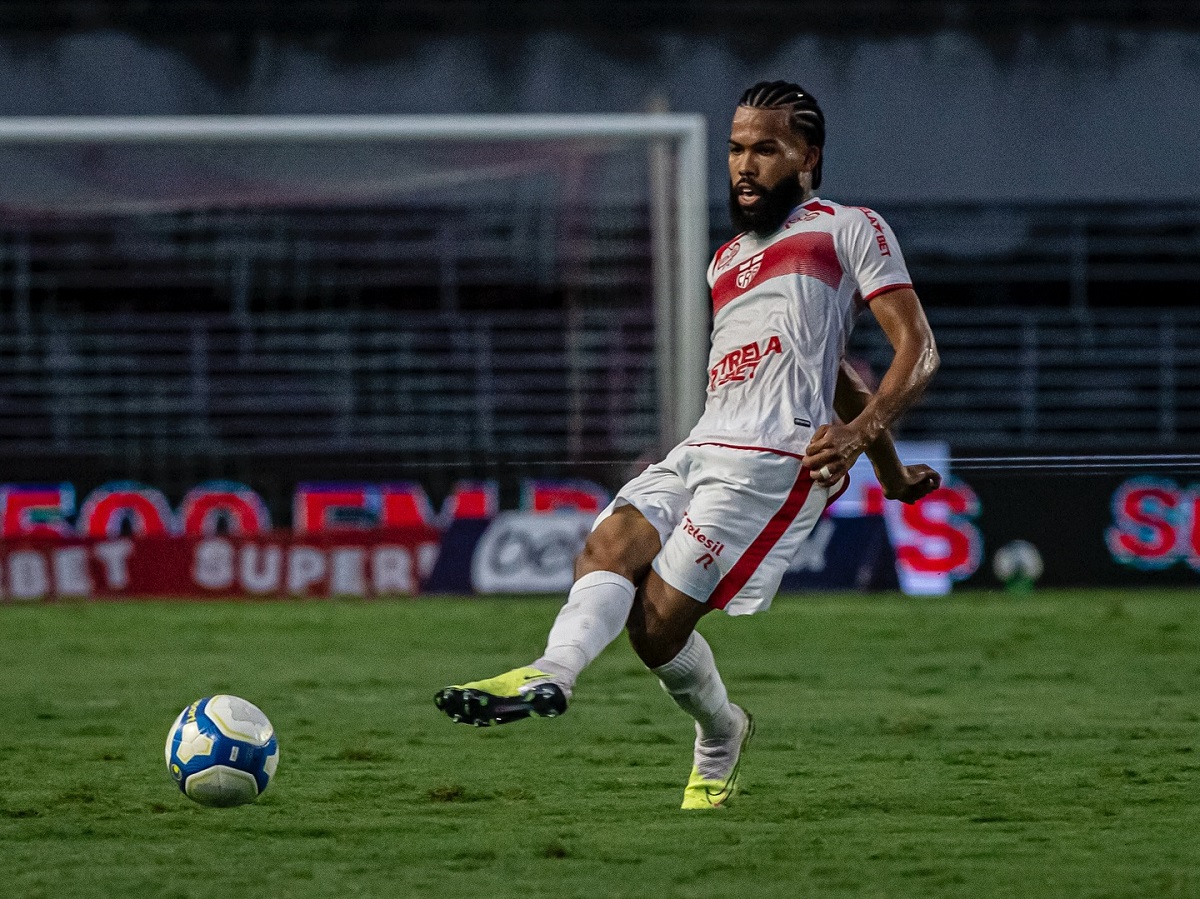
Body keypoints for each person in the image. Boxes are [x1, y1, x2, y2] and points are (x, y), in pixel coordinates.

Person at [435, 80, 942, 809]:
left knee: (655, 626)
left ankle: (722, 732)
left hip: (776, 462)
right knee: (608, 545)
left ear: (808, 157)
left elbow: (918, 349)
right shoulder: (724, 261)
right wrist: (889, 472)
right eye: (737, 148)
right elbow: (833, 375)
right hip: (701, 445)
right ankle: (550, 671)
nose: (745, 164)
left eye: (766, 149)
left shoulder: (849, 227)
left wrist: (863, 441)